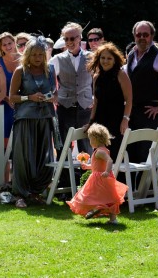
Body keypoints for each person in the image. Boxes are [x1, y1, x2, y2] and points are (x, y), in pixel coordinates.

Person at [9, 36, 58, 208]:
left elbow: (56, 94)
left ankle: (36, 192)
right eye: (34, 55)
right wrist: (29, 97)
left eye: (41, 54)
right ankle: (20, 193)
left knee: (43, 156)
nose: (38, 58)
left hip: (45, 117)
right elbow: (12, 97)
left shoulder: (50, 70)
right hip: (25, 118)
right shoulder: (20, 71)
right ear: (28, 55)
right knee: (23, 157)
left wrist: (50, 97)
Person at [126, 20, 158, 164]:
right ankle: (131, 187)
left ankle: (145, 187)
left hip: (151, 112)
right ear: (134, 36)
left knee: (145, 155)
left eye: (145, 34)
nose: (142, 38)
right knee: (130, 152)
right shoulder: (131, 54)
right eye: (138, 35)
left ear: (152, 36)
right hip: (132, 111)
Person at [49, 22, 94, 192]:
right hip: (65, 107)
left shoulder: (91, 57)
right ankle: (65, 186)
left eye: (73, 38)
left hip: (85, 107)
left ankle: (87, 186)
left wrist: (94, 98)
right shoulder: (57, 59)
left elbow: (97, 80)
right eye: (66, 39)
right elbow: (49, 79)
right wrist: (54, 95)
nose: (69, 42)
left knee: (86, 146)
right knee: (64, 147)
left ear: (80, 38)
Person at [66, 123, 128, 224]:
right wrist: (89, 167)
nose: (89, 142)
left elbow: (110, 161)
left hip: (99, 178)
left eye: (90, 139)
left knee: (88, 196)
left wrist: (107, 172)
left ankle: (95, 208)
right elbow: (99, 165)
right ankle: (112, 219)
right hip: (105, 177)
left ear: (96, 139)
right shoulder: (103, 150)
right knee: (110, 197)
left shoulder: (100, 152)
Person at [85, 42, 132, 160]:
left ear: (115, 60)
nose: (105, 61)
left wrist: (125, 119)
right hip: (99, 122)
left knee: (114, 156)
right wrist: (90, 122)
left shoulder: (121, 75)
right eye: (103, 58)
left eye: (109, 58)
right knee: (99, 156)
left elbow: (129, 99)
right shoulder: (96, 77)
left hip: (116, 122)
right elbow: (95, 102)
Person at [0, 32, 21, 147]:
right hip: (4, 104)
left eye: (9, 43)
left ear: (14, 42)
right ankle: (4, 163)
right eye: (4, 45)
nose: (8, 46)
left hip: (22, 103)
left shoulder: (24, 59)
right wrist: (7, 98)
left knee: (20, 139)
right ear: (0, 47)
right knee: (4, 142)